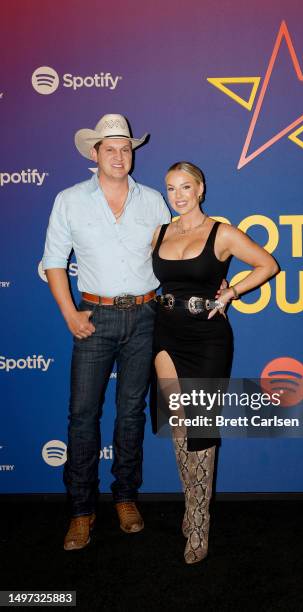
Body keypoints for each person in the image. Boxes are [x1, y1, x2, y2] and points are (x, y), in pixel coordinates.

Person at [42, 114, 171, 550]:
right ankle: (81, 510)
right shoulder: (69, 200)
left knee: (132, 413)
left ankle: (125, 497)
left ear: (133, 154)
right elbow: (54, 262)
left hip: (145, 315)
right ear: (94, 154)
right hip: (92, 318)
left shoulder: (154, 200)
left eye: (126, 148)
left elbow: (171, 258)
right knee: (82, 417)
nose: (119, 156)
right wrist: (70, 315)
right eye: (110, 148)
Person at [151, 161, 280, 564]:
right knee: (178, 426)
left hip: (207, 339)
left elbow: (268, 264)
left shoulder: (221, 232)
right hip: (165, 337)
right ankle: (190, 508)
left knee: (201, 429)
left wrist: (232, 293)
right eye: (171, 188)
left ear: (201, 188)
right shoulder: (158, 232)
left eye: (185, 187)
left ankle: (199, 522)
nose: (178, 195)